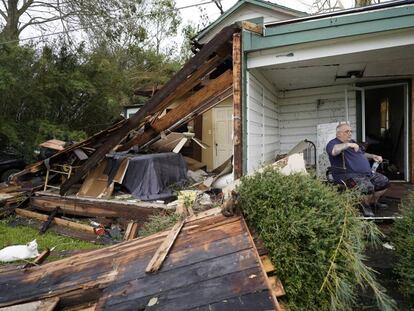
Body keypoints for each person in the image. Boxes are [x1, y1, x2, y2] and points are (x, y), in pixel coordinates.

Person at [326, 123, 389, 217]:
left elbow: (362, 154)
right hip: (348, 175)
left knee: (384, 182)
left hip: (365, 174)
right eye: (347, 131)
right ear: (338, 134)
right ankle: (365, 206)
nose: (350, 133)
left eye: (351, 131)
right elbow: (333, 151)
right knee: (367, 187)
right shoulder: (333, 143)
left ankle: (373, 202)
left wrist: (373, 156)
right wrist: (348, 144)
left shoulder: (352, 142)